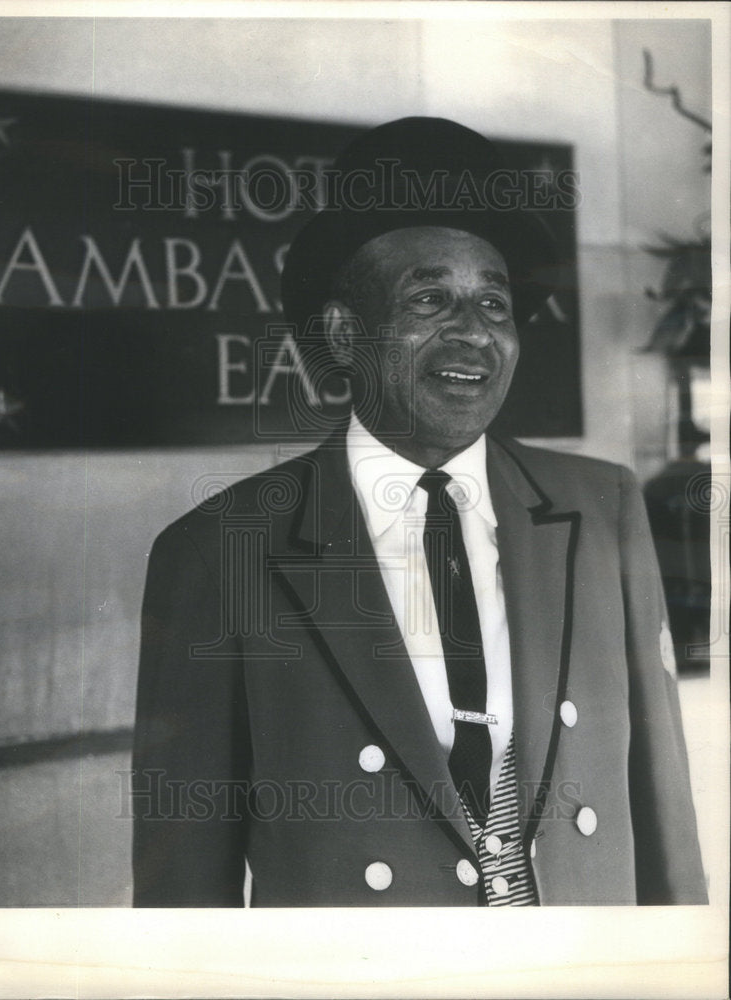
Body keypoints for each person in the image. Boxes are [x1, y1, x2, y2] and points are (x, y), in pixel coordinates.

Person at [132, 117, 707, 907]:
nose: (474, 332)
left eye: (494, 303)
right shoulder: (219, 550)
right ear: (344, 333)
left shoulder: (602, 508)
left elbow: (664, 812)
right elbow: (183, 891)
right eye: (431, 297)